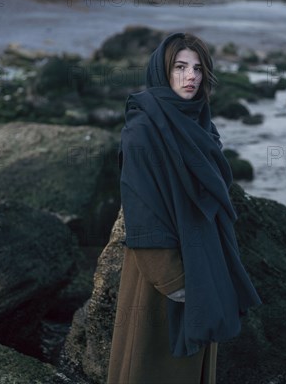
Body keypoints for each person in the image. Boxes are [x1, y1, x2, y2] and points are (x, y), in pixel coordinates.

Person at [107, 32, 262, 384]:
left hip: (203, 265)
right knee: (155, 367)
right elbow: (142, 209)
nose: (190, 76)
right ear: (162, 71)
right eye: (179, 67)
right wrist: (179, 284)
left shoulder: (201, 126)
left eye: (197, 68)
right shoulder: (142, 130)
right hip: (163, 280)